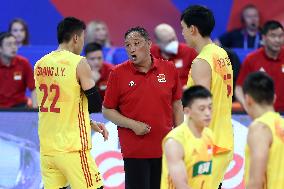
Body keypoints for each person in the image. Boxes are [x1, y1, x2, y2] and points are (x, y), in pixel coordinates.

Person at [102, 26, 184, 189]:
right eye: (127, 45)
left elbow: (176, 104)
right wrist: (133, 125)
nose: (131, 49)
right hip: (135, 151)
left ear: (148, 44)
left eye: (136, 43)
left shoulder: (169, 69)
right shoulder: (117, 74)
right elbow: (107, 110)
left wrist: (181, 135)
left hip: (164, 148)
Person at [34, 17, 108, 189]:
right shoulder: (78, 62)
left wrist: (88, 122)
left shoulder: (40, 64)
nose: (83, 42)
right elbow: (96, 104)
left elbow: (59, 106)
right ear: (76, 38)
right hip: (72, 148)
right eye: (83, 37)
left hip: (47, 150)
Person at [181, 5, 234, 189]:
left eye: (183, 28)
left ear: (193, 29)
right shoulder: (221, 53)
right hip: (223, 137)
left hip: (208, 143)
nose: (183, 33)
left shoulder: (201, 61)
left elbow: (202, 106)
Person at [161, 85, 214, 189]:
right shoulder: (175, 142)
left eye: (210, 107)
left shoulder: (209, 134)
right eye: (202, 109)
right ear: (187, 112)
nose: (208, 113)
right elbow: (181, 186)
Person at [242, 71, 284, 189]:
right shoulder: (281, 124)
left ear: (248, 99)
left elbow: (256, 181)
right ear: (274, 98)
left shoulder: (259, 128)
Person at [235, 20, 284, 112]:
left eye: (280, 36)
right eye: (273, 36)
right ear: (264, 38)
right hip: (260, 114)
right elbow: (238, 88)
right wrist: (247, 107)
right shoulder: (251, 59)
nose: (277, 40)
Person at [0, 32, 36, 108]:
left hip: (19, 107)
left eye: (15, 44)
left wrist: (35, 110)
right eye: (9, 44)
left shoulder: (23, 63)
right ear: (0, 48)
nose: (13, 47)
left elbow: (34, 88)